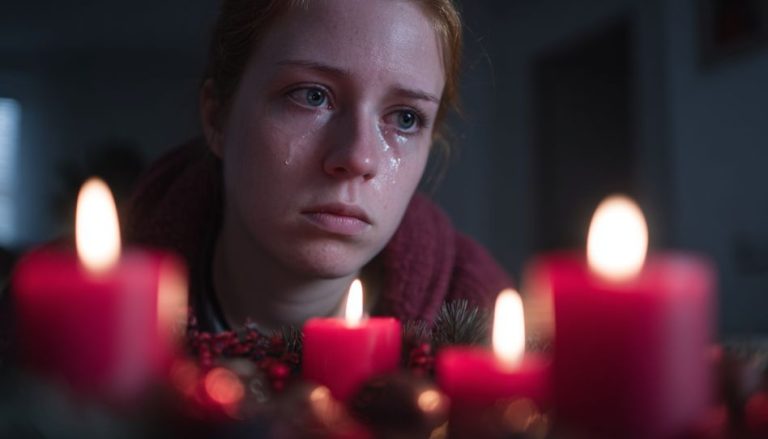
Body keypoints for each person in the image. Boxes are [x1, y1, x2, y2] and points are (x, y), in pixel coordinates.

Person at [126, 0, 512, 334]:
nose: (358, 158)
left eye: (405, 118)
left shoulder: (488, 328)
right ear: (217, 118)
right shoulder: (96, 299)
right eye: (312, 96)